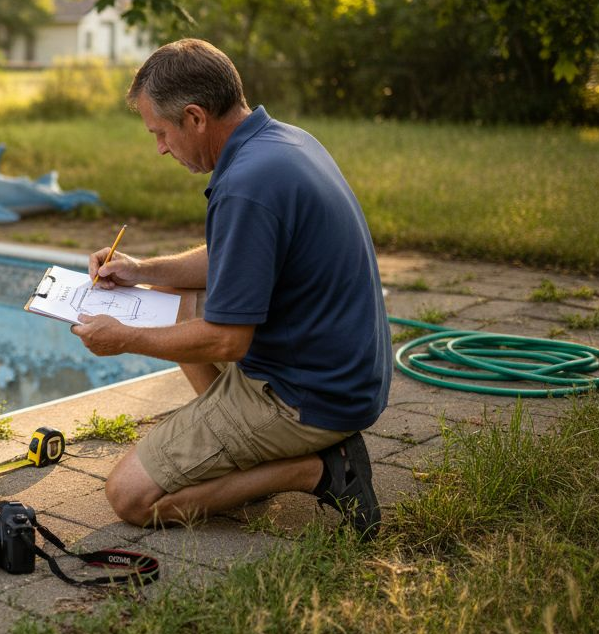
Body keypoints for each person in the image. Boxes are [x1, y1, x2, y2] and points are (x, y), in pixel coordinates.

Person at [72, 38, 390, 538]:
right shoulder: (283, 142)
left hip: (307, 396)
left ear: (195, 118)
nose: (159, 148)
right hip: (338, 371)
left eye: (160, 133)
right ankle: (237, 444)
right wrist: (141, 270)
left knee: (130, 496)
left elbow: (227, 340)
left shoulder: (245, 185)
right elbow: (233, 258)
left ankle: (318, 469)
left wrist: (123, 338)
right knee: (170, 304)